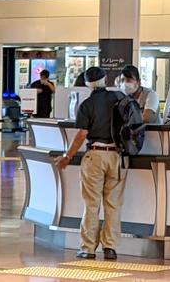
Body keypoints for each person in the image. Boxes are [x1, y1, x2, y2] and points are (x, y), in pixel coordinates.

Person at [55, 67, 126, 261]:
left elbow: (82, 134)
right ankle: (110, 247)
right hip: (116, 156)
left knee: (91, 203)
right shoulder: (120, 97)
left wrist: (67, 156)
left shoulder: (87, 104)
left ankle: (88, 248)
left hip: (95, 156)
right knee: (113, 204)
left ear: (87, 84)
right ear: (105, 79)